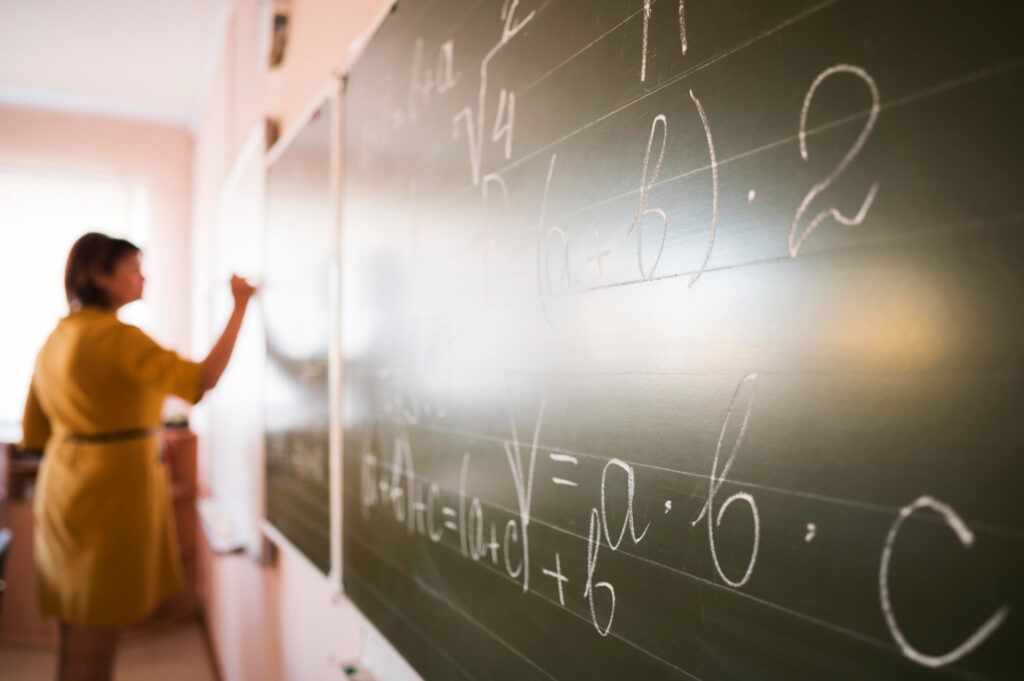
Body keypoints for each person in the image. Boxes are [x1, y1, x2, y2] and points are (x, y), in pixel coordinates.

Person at [19, 232, 256, 681]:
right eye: (132, 267)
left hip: (62, 488)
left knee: (75, 629)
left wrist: (129, 429)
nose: (142, 276)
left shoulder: (56, 337)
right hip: (106, 496)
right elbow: (201, 380)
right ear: (99, 278)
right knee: (97, 638)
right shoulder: (119, 338)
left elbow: (36, 429)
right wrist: (240, 304)